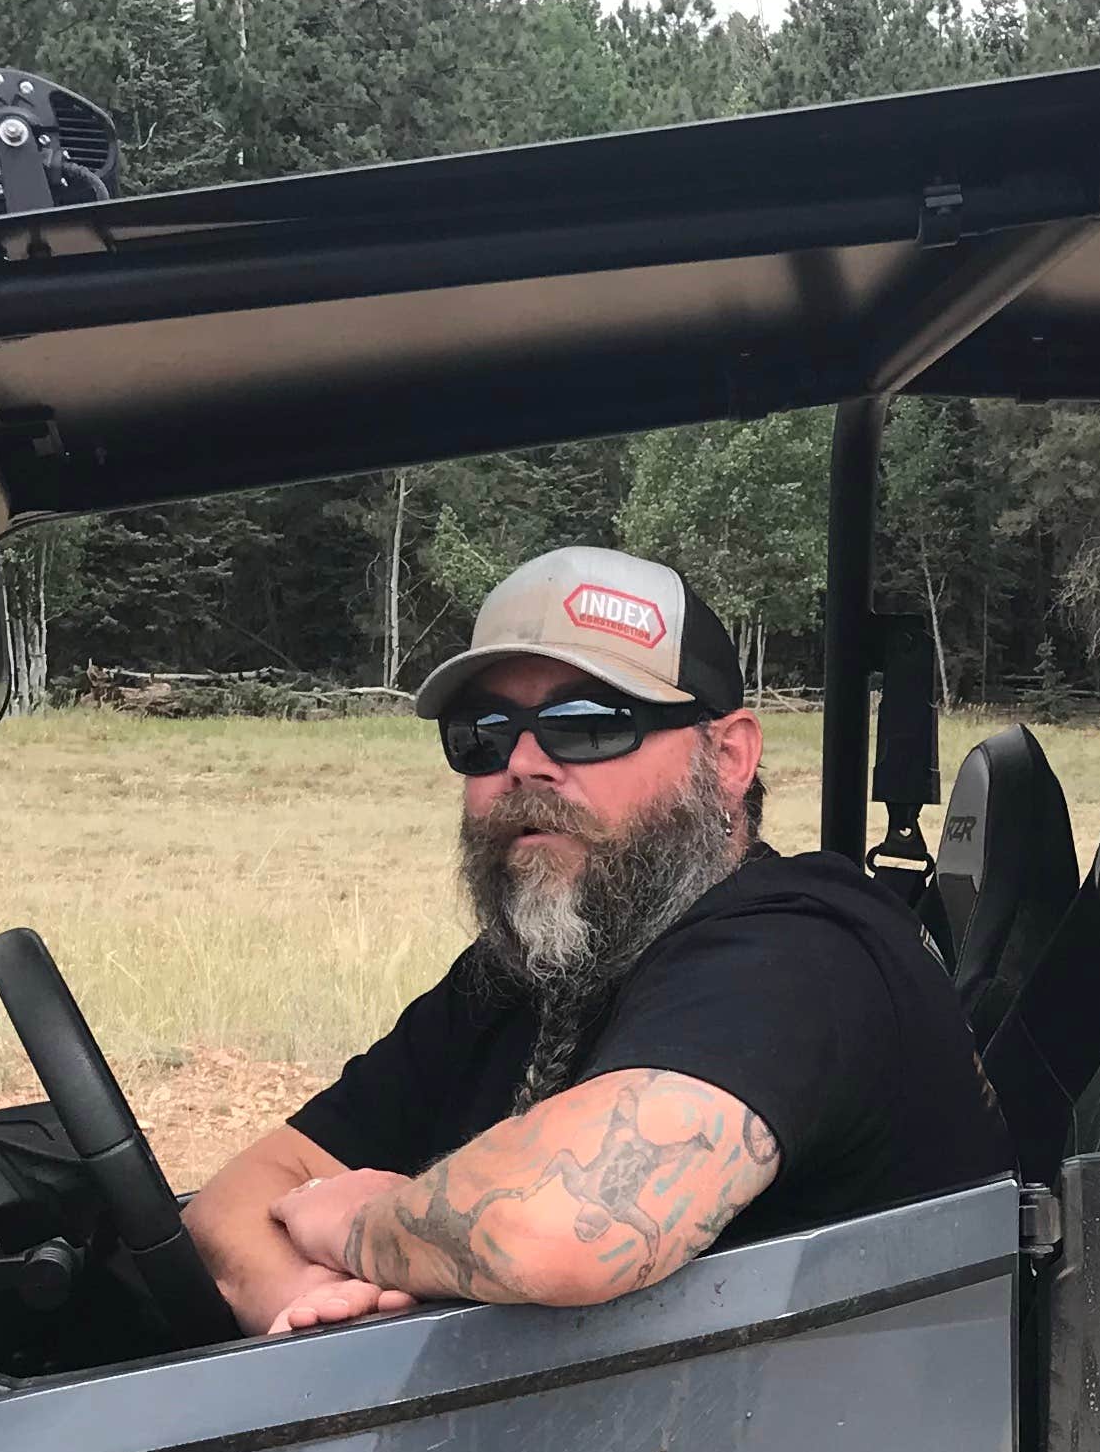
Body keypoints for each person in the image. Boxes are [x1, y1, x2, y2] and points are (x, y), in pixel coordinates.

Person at [185, 546, 1011, 1336]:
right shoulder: (520, 973)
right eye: (484, 733)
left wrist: (355, 1221)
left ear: (727, 757)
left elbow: (562, 1230)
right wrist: (308, 1301)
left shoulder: (805, 950)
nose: (525, 764)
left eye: (587, 724)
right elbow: (235, 1200)